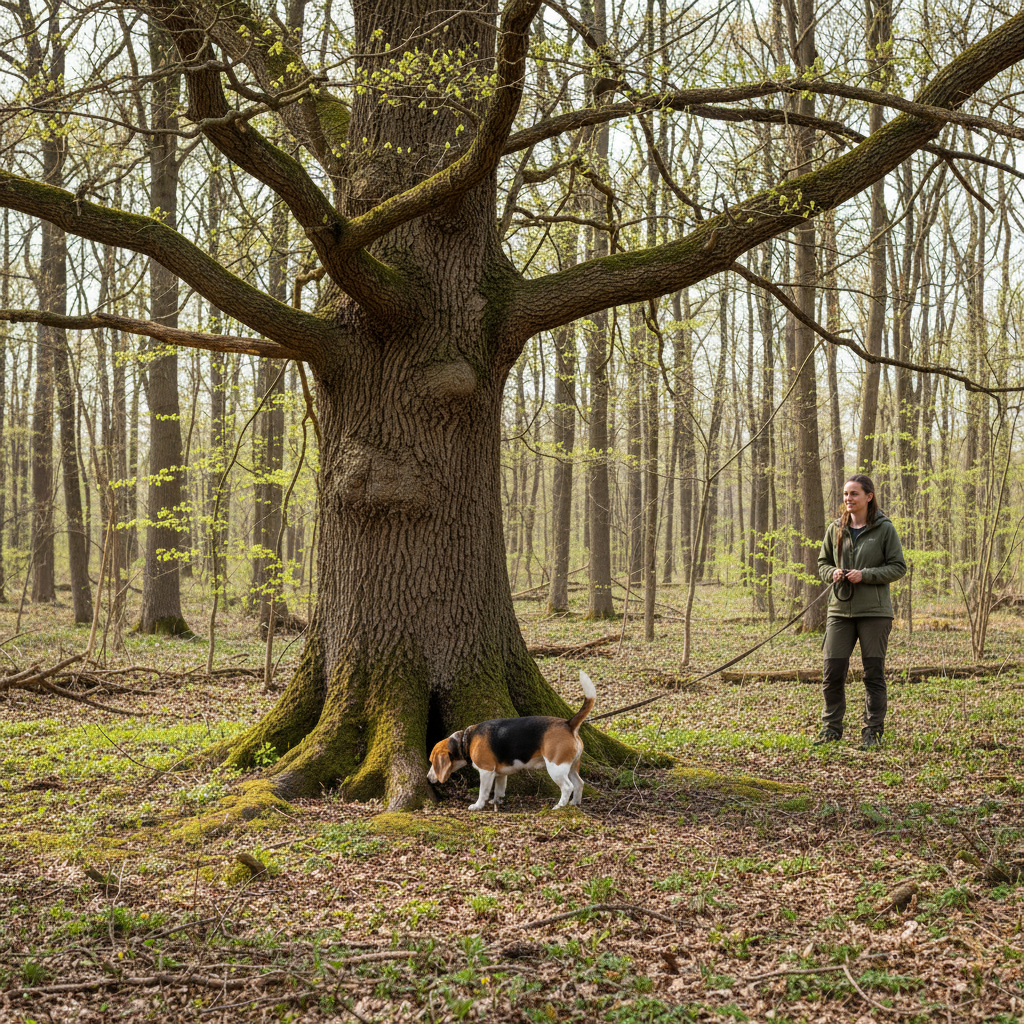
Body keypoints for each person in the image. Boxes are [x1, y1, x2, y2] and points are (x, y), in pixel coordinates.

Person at [815, 474, 906, 750]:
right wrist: (833, 573)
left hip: (875, 613)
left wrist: (865, 575)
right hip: (840, 612)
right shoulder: (835, 529)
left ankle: (872, 732)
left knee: (873, 674)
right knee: (832, 673)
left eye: (854, 494)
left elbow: (898, 567)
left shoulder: (885, 529)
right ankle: (831, 730)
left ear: (869, 497)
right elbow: (822, 563)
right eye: (845, 494)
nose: (848, 499)